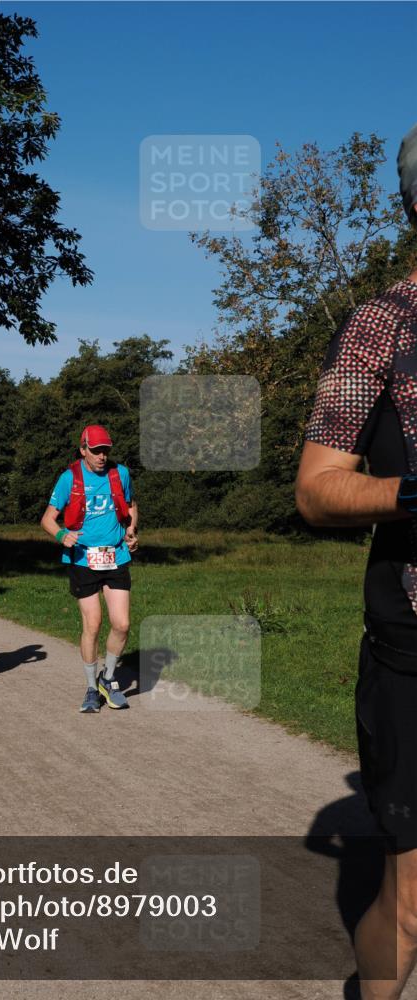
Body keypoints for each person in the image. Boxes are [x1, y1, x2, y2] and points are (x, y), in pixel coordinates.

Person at [295, 123, 417, 1000]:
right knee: (415, 902)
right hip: (414, 639)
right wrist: (410, 494)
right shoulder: (379, 326)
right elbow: (316, 487)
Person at [41, 424, 138, 713]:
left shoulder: (120, 474)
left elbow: (131, 505)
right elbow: (47, 519)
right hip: (83, 559)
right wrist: (61, 535)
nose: (101, 455)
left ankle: (108, 679)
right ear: (83, 449)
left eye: (105, 450)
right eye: (95, 450)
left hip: (116, 556)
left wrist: (131, 528)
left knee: (122, 624)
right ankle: (89, 688)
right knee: (93, 624)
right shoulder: (68, 478)